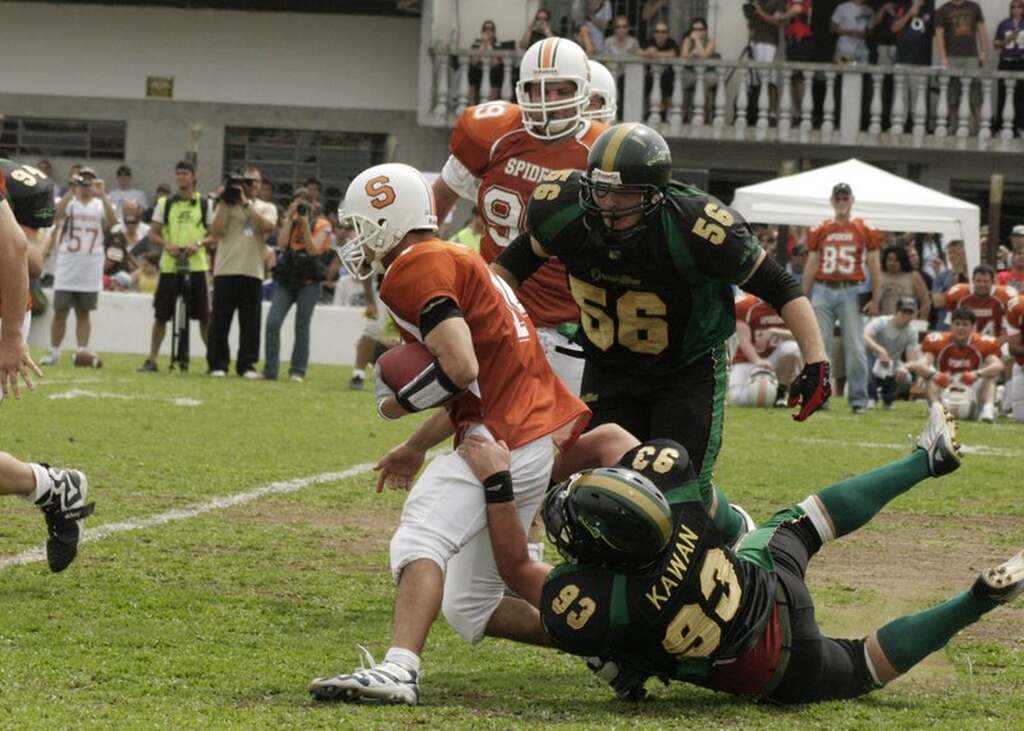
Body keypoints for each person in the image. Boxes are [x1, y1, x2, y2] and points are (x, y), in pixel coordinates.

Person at [459, 402, 1024, 705]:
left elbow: (515, 566)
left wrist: (501, 484)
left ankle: (977, 599)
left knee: (860, 666)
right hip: (764, 586)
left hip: (771, 670)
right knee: (804, 522)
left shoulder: (600, 600)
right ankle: (925, 461)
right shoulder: (674, 494)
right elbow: (614, 441)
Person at [308, 163, 589, 705]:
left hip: (504, 436)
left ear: (391, 221)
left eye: (364, 224)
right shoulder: (454, 258)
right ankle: (607, 643)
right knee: (470, 603)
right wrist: (415, 445)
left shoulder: (415, 266)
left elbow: (458, 368)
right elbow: (475, 380)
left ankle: (399, 669)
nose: (357, 238)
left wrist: (398, 405)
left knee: (421, 534)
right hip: (526, 432)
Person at [495, 123, 830, 492]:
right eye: (602, 189)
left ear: (656, 194)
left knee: (678, 489)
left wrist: (816, 360)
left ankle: (731, 532)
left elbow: (780, 286)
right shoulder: (566, 211)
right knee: (593, 487)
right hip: (609, 366)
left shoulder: (697, 227)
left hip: (685, 369)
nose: (608, 204)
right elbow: (503, 275)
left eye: (624, 194)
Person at [430, 38, 607, 398]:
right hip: (496, 309)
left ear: (584, 91)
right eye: (538, 89)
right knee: (479, 423)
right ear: (520, 90)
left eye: (561, 90)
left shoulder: (600, 151)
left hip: (567, 321)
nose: (549, 102)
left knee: (567, 440)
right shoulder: (493, 134)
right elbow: (440, 197)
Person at [0, 159, 94, 573]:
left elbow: (26, 254)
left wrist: (12, 335)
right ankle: (54, 487)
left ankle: (53, 486)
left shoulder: (17, 181)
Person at [803, 182, 882, 414]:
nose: (841, 202)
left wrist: (876, 297)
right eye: (837, 198)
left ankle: (858, 398)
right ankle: (820, 397)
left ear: (852, 200)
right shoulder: (821, 228)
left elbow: (874, 264)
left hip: (851, 289)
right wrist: (802, 295)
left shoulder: (863, 227)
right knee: (819, 345)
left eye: (845, 198)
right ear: (831, 201)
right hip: (822, 288)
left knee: (856, 346)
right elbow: (812, 262)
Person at [139, 160, 214, 372]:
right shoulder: (165, 203)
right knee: (161, 315)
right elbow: (153, 232)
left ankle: (213, 361)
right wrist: (167, 244)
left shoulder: (205, 203)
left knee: (204, 317)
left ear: (193, 176)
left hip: (197, 266)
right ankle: (152, 359)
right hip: (170, 266)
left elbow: (214, 235)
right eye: (178, 173)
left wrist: (197, 244)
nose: (181, 177)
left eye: (185, 173)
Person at [40, 167, 117, 366]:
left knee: (84, 312)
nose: (86, 183)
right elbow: (54, 215)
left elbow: (114, 223)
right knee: (60, 311)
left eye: (90, 179)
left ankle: (82, 351)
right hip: (67, 265)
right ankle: (54, 351)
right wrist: (70, 190)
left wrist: (104, 194)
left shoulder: (100, 205)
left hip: (90, 266)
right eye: (83, 179)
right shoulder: (69, 203)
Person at [206, 168, 278, 378]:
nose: (252, 185)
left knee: (250, 323)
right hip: (226, 269)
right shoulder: (227, 204)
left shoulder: (266, 207)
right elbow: (216, 232)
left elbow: (266, 227)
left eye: (255, 182)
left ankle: (246, 365)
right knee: (220, 320)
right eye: (247, 181)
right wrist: (224, 201)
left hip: (252, 270)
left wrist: (246, 203)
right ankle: (217, 364)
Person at [262, 188, 330, 383]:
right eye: (297, 203)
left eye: (304, 204)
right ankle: (270, 370)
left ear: (313, 204)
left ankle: (297, 371)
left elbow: (313, 250)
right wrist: (290, 220)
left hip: (309, 282)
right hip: (287, 279)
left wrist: (306, 224)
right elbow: (282, 244)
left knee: (302, 326)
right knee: (273, 322)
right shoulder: (290, 222)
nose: (300, 208)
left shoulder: (322, 224)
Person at [920, 307, 1003, 421]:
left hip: (971, 384)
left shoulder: (982, 342)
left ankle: (987, 409)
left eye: (965, 324)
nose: (960, 328)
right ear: (951, 325)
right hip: (945, 382)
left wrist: (977, 374)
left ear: (973, 327)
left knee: (990, 375)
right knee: (928, 376)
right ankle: (936, 410)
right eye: (957, 324)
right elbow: (921, 364)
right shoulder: (937, 340)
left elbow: (998, 365)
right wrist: (935, 375)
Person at [730, 290, 803, 407]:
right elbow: (744, 341)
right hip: (748, 358)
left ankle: (780, 394)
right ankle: (769, 395)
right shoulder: (745, 305)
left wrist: (774, 332)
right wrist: (757, 360)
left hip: (775, 358)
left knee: (792, 348)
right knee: (737, 399)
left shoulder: (789, 306)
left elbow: (801, 335)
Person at [864, 295, 926, 408]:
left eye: (910, 313)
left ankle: (888, 399)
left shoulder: (912, 332)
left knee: (907, 378)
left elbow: (912, 359)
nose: (906, 316)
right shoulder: (881, 322)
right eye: (903, 312)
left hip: (893, 362)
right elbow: (865, 336)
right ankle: (870, 397)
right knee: (865, 362)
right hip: (873, 357)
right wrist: (880, 350)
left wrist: (905, 367)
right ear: (896, 311)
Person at [936, 0, 989, 131]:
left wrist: (984, 52)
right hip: (952, 56)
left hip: (971, 56)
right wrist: (943, 57)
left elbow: (982, 30)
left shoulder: (975, 7)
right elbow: (939, 34)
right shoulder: (942, 10)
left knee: (975, 91)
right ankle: (952, 125)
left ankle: (979, 126)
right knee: (952, 92)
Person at [934, 264, 1015, 337]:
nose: (982, 284)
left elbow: (1007, 333)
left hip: (993, 344)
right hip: (965, 345)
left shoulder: (1003, 297)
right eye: (978, 281)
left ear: (992, 282)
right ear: (972, 281)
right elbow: (950, 326)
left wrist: (994, 346)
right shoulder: (959, 295)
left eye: (986, 281)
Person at [995, 1, 1024, 133]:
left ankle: (1020, 125)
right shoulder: (1004, 24)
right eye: (1013, 7)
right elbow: (996, 44)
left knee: (1020, 95)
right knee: (1003, 93)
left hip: (1021, 62)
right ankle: (1001, 125)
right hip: (1006, 61)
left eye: (1019, 7)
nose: (1016, 10)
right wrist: (1009, 38)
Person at [878, 244, 931, 317]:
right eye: (889, 259)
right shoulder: (880, 276)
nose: (892, 263)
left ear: (903, 261)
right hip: (886, 323)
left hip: (909, 323)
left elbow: (926, 302)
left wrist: (921, 322)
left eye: (896, 260)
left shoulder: (913, 276)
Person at [641, 21, 679, 120]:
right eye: (657, 31)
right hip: (651, 77)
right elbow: (638, 51)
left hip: (668, 77)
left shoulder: (671, 42)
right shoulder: (650, 42)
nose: (660, 34)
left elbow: (673, 53)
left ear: (667, 34)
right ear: (654, 33)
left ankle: (667, 113)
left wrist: (655, 54)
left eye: (663, 32)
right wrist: (647, 52)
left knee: (667, 83)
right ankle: (649, 112)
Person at [469, 20, 505, 106]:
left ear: (494, 32)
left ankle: (490, 104)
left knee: (497, 71)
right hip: (479, 71)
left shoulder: (498, 45)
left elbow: (496, 63)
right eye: (486, 29)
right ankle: (472, 103)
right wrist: (482, 45)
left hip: (493, 71)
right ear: (482, 31)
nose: (488, 31)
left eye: (491, 29)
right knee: (472, 70)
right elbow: (474, 62)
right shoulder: (476, 44)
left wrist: (489, 45)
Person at [1006, 293, 1024, 420]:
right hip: (1022, 365)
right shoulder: (1017, 306)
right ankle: (1004, 394)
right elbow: (1012, 347)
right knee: (1020, 417)